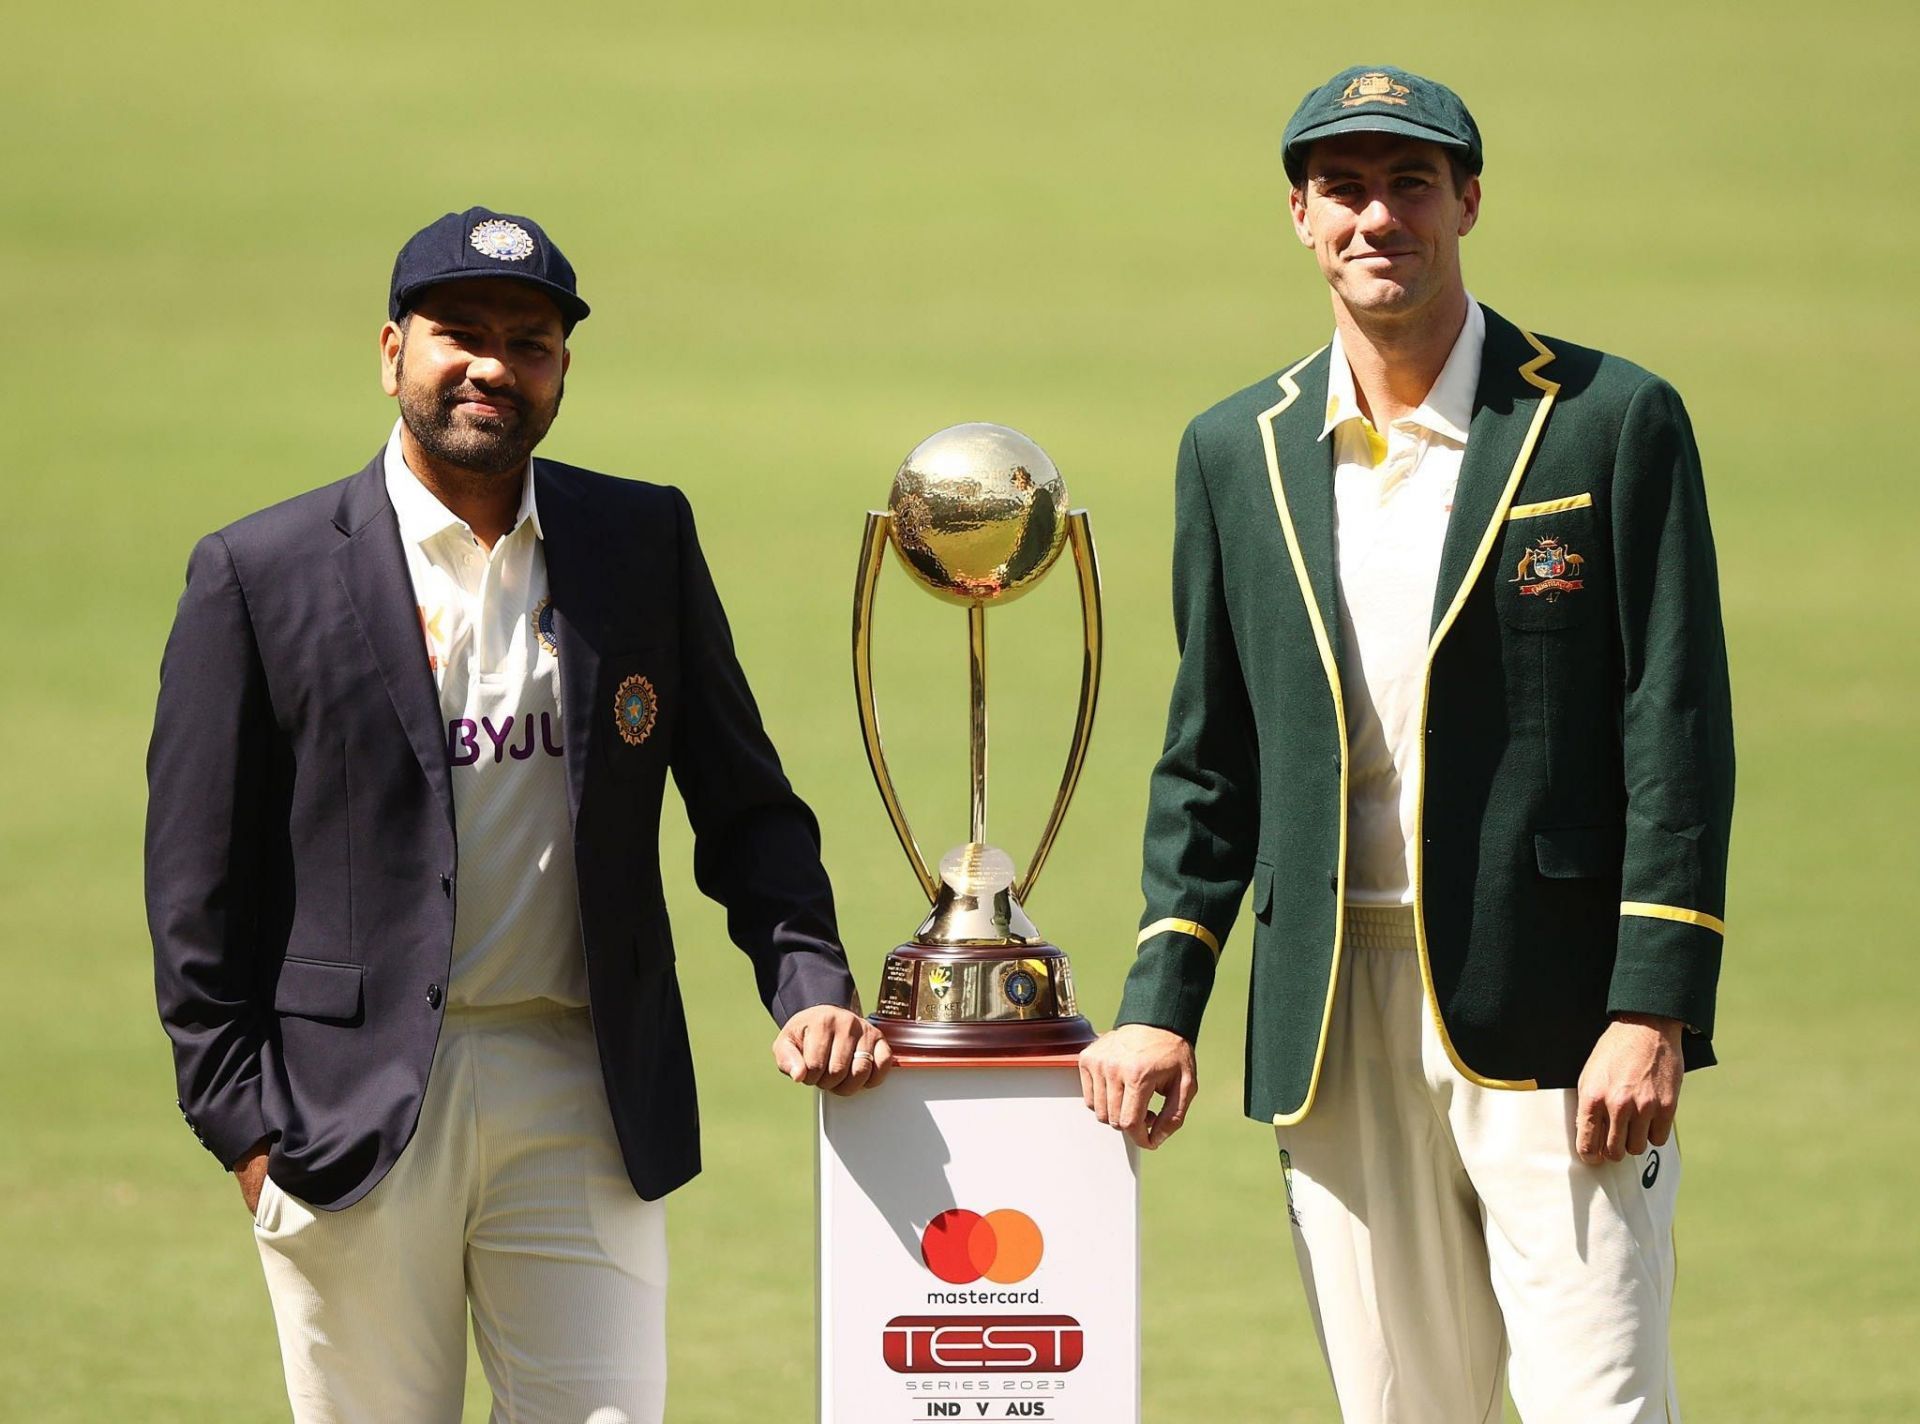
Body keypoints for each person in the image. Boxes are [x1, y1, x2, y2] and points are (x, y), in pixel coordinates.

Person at [145, 205, 892, 1424]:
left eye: (530, 339)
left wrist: (810, 981)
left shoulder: (638, 538)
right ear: (393, 350)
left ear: (562, 369)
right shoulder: (258, 571)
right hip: (352, 1108)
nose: (493, 363)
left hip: (583, 1086)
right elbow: (194, 881)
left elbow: (748, 807)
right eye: (460, 333)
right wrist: (244, 1129)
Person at [1078, 66, 1733, 1421]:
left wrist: (1652, 1003)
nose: (1379, 217)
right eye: (1346, 190)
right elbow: (1211, 758)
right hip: (1330, 1015)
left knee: (1599, 1403)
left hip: (1559, 1016)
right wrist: (1160, 1004)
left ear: (1469, 202)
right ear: (1302, 219)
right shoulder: (1234, 451)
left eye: (1412, 184)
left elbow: (1675, 723)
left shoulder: (1610, 420)